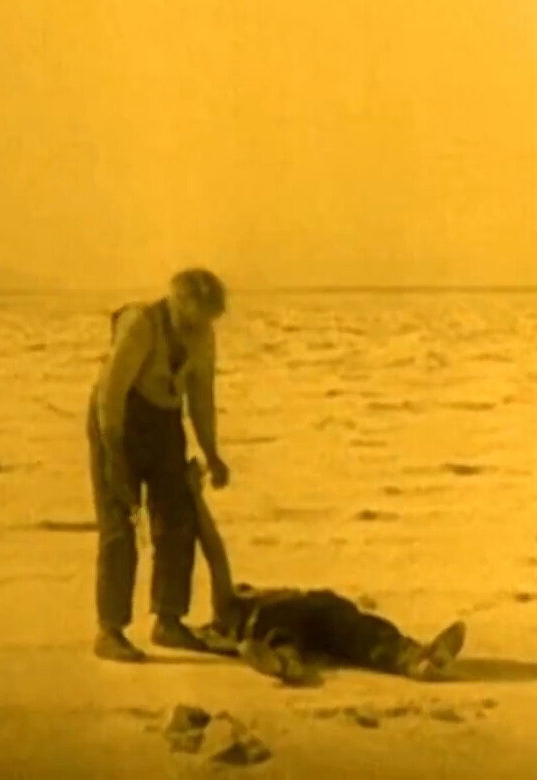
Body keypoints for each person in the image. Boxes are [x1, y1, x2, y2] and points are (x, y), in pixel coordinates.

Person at [86, 268, 230, 662]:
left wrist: (212, 454)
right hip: (118, 421)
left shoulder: (203, 335)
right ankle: (110, 630)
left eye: (210, 318)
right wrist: (114, 458)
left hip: (164, 419)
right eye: (199, 314)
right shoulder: (142, 325)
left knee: (177, 518)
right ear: (179, 301)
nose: (203, 325)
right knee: (122, 522)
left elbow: (200, 398)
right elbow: (110, 396)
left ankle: (169, 619)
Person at [205, 584, 467, 686]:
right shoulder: (246, 609)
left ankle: (417, 658)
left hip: (318, 607)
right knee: (358, 632)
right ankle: (412, 658)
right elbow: (216, 556)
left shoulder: (264, 604)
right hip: (302, 612)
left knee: (358, 630)